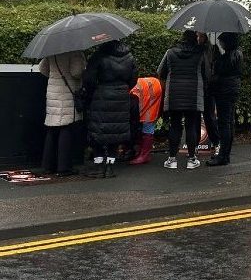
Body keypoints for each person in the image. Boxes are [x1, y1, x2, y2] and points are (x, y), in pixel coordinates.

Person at [82, 40, 138, 177]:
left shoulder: (98, 56)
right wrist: (123, 89)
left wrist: (92, 92)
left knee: (98, 132)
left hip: (102, 95)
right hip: (121, 96)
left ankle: (99, 166)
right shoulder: (129, 57)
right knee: (115, 132)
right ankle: (110, 167)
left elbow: (89, 79)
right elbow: (134, 79)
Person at [158, 30, 209, 170]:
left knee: (174, 126)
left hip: (174, 94)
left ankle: (172, 159)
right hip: (194, 95)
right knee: (192, 126)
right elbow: (207, 74)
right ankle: (192, 159)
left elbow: (160, 71)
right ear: (195, 39)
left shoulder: (170, 52)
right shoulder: (200, 53)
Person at [39, 50, 86, 176]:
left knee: (52, 128)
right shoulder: (74, 52)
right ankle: (64, 167)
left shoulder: (51, 51)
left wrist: (55, 76)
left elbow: (42, 69)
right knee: (66, 127)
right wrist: (83, 66)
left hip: (53, 91)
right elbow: (76, 72)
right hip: (67, 93)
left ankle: (48, 166)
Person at [206, 32, 243, 167]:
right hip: (232, 90)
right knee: (229, 123)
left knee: (223, 123)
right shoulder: (238, 54)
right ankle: (225, 154)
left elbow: (217, 75)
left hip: (223, 91)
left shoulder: (226, 58)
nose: (220, 44)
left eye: (221, 41)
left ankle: (222, 155)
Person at [128, 76, 162, 165]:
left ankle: (144, 155)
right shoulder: (130, 90)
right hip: (152, 89)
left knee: (147, 123)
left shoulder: (131, 93)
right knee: (146, 122)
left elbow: (134, 117)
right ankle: (141, 153)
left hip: (153, 94)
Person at [196, 32, 219, 152]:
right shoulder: (196, 50)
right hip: (199, 88)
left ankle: (216, 142)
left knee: (209, 117)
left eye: (201, 36)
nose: (199, 38)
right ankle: (193, 146)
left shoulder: (212, 50)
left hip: (208, 88)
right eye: (197, 36)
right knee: (195, 118)